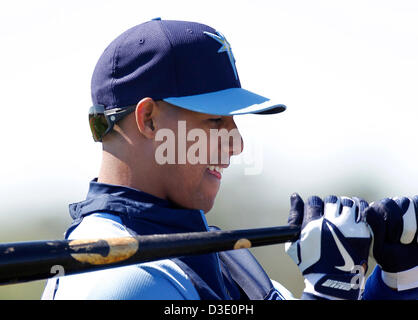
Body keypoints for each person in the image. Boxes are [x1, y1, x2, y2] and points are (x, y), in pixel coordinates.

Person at [41, 18, 417, 300]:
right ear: (148, 120)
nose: (236, 144)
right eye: (215, 120)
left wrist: (399, 280)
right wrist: (329, 293)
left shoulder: (218, 254)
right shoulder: (117, 281)